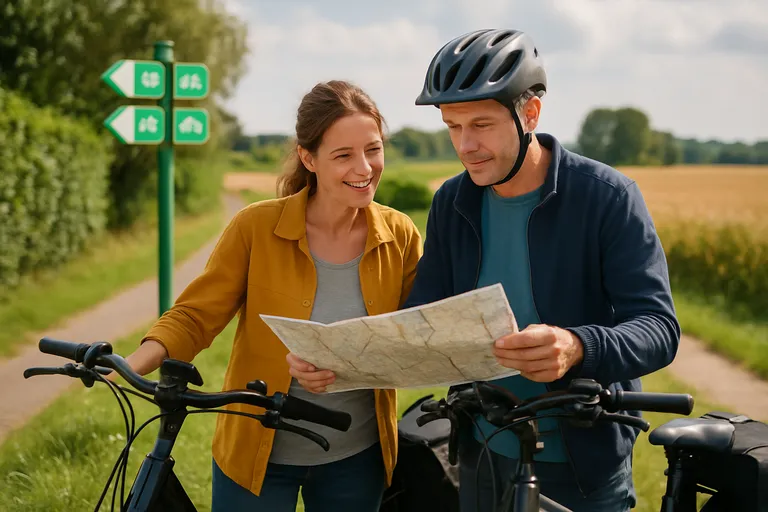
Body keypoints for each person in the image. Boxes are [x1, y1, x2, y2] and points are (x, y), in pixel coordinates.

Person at [401, 28, 681, 511]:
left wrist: (577, 347)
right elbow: (425, 313)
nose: (464, 145)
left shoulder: (607, 197)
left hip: (582, 459)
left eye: (481, 125)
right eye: (453, 126)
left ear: (529, 113)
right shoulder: (453, 201)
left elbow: (659, 329)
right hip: (483, 449)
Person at [115, 79, 423, 511]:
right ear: (307, 157)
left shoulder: (401, 235)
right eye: (343, 155)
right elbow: (194, 316)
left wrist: (349, 364)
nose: (365, 167)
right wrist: (128, 366)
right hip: (255, 454)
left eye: (373, 149)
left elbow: (416, 334)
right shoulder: (255, 228)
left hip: (358, 456)